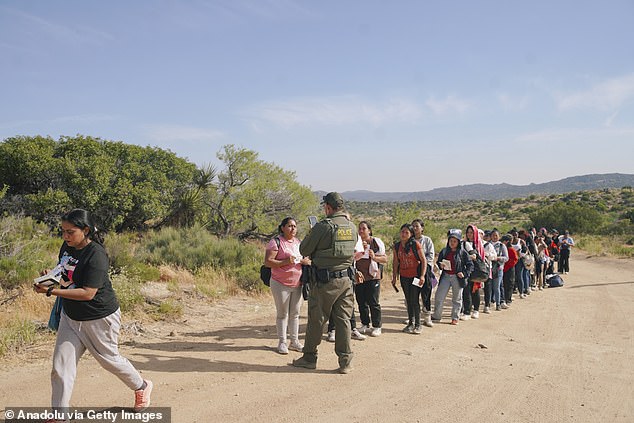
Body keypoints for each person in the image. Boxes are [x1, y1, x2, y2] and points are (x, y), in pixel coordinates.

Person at [33, 209, 152, 414]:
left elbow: (88, 293)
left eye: (70, 232)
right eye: (63, 231)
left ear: (85, 230)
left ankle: (141, 386)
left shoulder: (96, 255)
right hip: (70, 316)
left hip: (98, 317)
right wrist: (50, 277)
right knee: (61, 366)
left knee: (110, 360)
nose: (65, 236)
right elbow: (64, 270)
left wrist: (52, 291)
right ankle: (59, 415)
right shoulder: (67, 247)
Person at [292, 192, 358, 374]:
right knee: (343, 320)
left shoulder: (323, 226)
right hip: (346, 281)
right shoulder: (352, 227)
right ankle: (346, 361)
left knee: (316, 319)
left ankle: (309, 358)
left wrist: (312, 233)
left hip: (325, 281)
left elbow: (304, 249)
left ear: (328, 207)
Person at [265, 217, 310, 355]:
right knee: (282, 313)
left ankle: (294, 342)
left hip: (297, 283)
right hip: (280, 283)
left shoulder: (298, 242)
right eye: (289, 226)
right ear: (282, 227)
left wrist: (304, 261)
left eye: (294, 226)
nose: (293, 229)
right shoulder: (276, 242)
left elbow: (300, 259)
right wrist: (285, 261)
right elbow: (268, 262)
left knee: (295, 314)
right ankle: (282, 342)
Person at [354, 221, 387, 337]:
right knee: (361, 301)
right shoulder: (356, 243)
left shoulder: (376, 242)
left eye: (364, 228)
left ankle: (377, 326)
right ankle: (365, 324)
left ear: (369, 230)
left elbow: (385, 259)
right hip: (359, 277)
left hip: (373, 277)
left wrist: (374, 257)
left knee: (373, 302)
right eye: (360, 229)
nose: (361, 231)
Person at [432, 229, 473, 325]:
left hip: (457, 278)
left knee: (457, 298)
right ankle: (437, 316)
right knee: (439, 296)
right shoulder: (444, 251)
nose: (452, 243)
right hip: (445, 276)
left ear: (458, 242)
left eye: (454, 241)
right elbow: (439, 261)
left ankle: (455, 317)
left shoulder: (463, 252)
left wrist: (464, 273)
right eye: (451, 241)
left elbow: (470, 265)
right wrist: (440, 265)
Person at [392, 224, 427, 334]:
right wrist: (394, 277)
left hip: (415, 276)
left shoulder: (415, 245)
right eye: (402, 232)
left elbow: (423, 261)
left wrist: (422, 276)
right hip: (404, 276)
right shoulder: (397, 246)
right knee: (408, 300)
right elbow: (395, 262)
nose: (403, 234)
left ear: (411, 234)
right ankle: (410, 323)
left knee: (414, 300)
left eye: (406, 232)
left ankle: (418, 324)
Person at [411, 219, 435, 327]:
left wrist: (423, 263)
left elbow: (430, 256)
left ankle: (427, 317)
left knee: (426, 293)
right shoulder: (410, 240)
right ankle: (413, 317)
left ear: (422, 228)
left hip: (425, 270)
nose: (415, 228)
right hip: (413, 271)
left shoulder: (427, 240)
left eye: (417, 226)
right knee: (414, 293)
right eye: (413, 226)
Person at [460, 224, 485, 320]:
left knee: (475, 291)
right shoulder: (463, 243)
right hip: (466, 270)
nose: (469, 234)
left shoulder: (478, 244)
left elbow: (477, 257)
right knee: (466, 291)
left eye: (471, 232)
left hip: (476, 271)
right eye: (468, 232)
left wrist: (466, 257)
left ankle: (476, 310)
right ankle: (467, 311)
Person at [489, 229, 509, 311]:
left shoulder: (502, 246)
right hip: (489, 268)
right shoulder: (487, 245)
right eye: (493, 235)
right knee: (489, 287)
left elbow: (506, 258)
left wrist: (497, 258)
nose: (494, 237)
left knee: (496, 286)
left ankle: (498, 303)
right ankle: (489, 303)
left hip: (498, 268)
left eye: (496, 235)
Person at [481, 229, 497, 313]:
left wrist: (487, 255)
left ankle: (487, 305)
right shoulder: (472, 244)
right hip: (475, 268)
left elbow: (494, 256)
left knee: (488, 287)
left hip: (487, 268)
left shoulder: (488, 245)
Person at [501, 234, 519, 305]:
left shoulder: (511, 249)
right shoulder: (503, 248)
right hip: (504, 268)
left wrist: (506, 261)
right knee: (504, 284)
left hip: (510, 269)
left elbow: (515, 259)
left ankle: (508, 299)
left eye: (504, 241)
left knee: (509, 284)